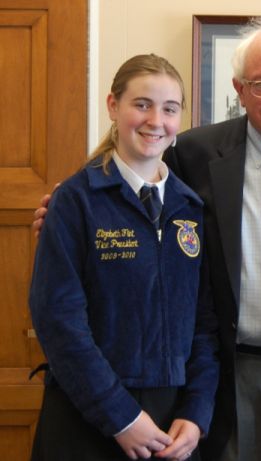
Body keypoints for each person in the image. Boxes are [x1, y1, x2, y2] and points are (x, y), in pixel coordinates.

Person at [33, 19, 261, 461]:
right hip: (232, 375)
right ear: (238, 88)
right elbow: (127, 202)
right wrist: (64, 216)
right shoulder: (191, 155)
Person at [29, 54, 219, 461]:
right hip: (89, 419)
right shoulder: (75, 202)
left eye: (169, 109)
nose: (156, 120)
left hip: (173, 429)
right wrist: (122, 418)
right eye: (142, 104)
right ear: (113, 106)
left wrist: (197, 413)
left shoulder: (190, 208)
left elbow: (205, 326)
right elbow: (59, 322)